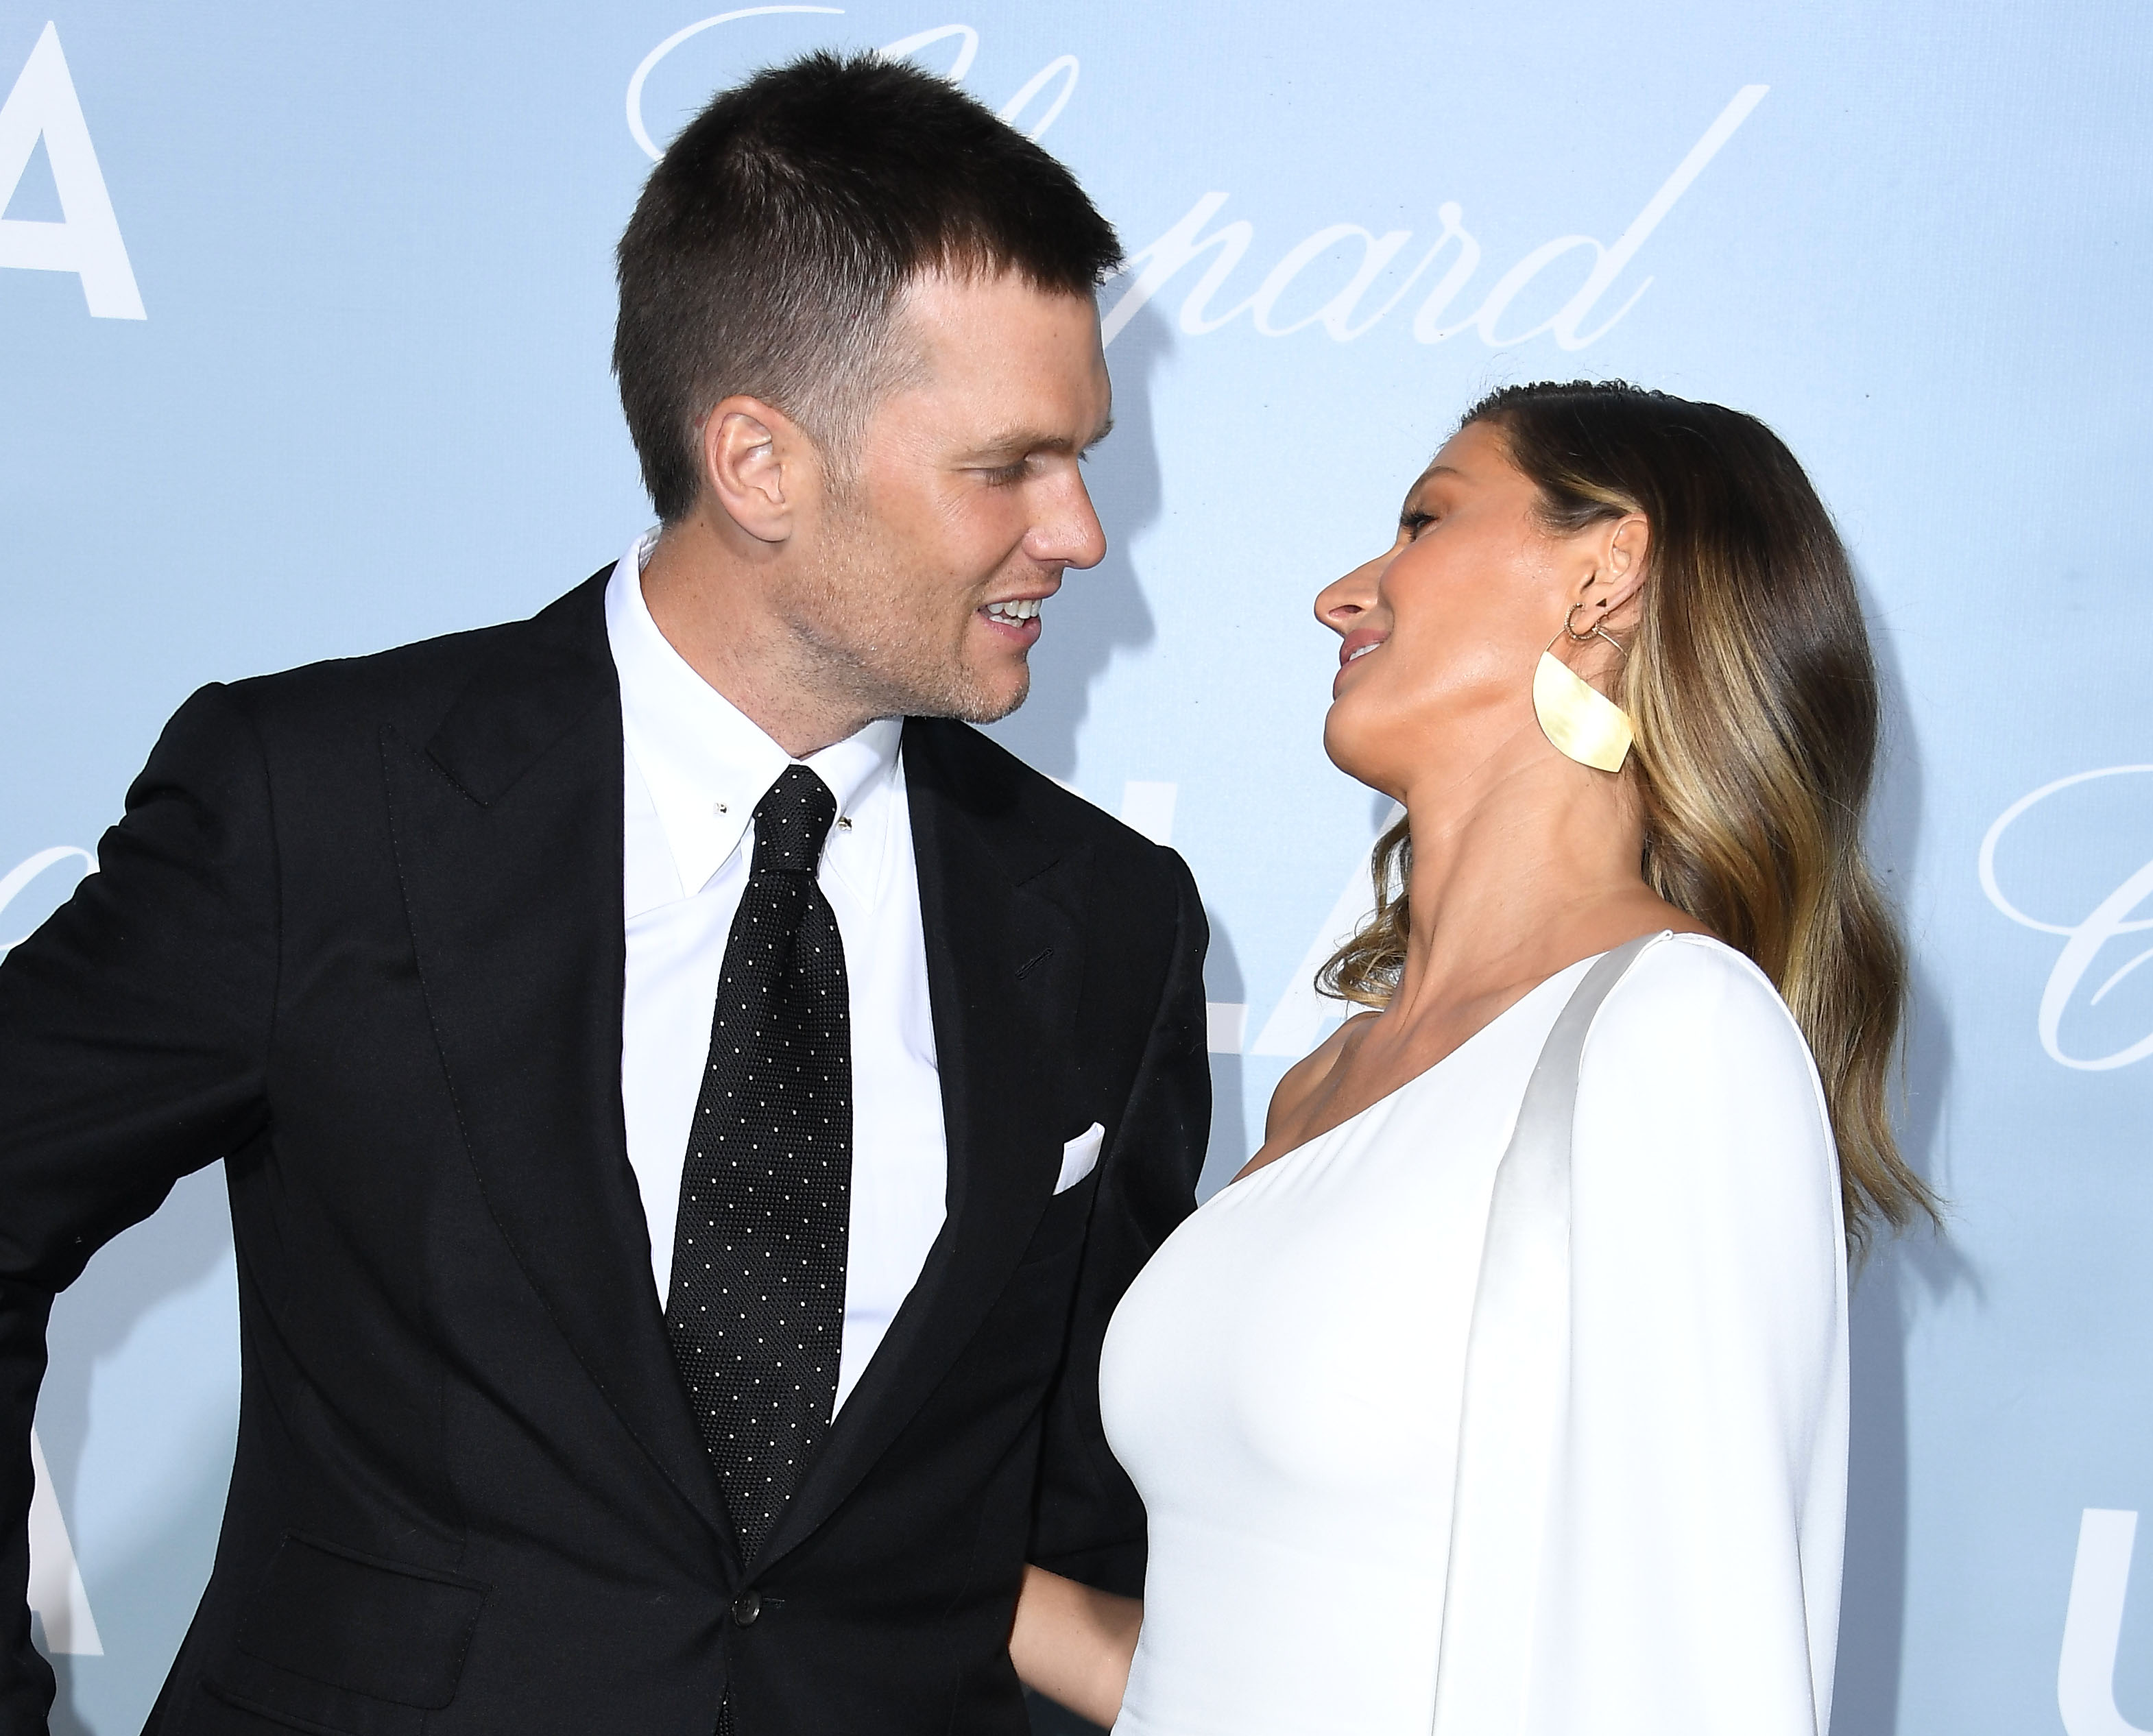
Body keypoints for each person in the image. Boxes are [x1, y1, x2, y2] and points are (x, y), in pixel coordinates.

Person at [0, 52, 1209, 1736]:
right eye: (1006, 466)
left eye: (1079, 455)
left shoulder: (1110, 920)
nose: (1079, 530)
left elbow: (1080, 1509)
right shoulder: (324, 802)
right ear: (759, 463)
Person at [1014, 380, 1936, 1734]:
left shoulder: (1674, 1037)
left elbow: (1698, 1675)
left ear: (1604, 573)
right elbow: (1225, 1671)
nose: (1344, 593)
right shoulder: (1317, 1088)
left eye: (1422, 521)